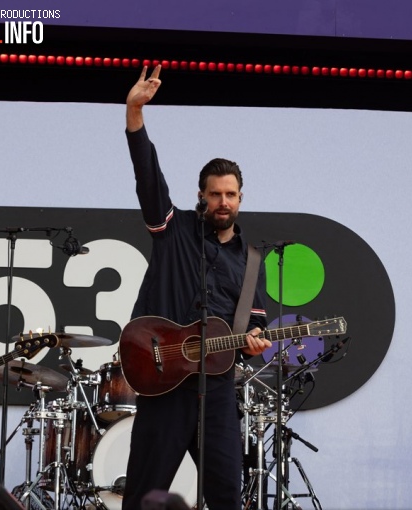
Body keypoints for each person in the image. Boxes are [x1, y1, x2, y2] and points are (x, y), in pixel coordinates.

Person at [122, 65, 272, 510]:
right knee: (143, 496)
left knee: (227, 494)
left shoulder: (251, 263)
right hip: (165, 383)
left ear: (241, 198)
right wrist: (135, 114)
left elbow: (253, 326)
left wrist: (253, 343)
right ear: (201, 196)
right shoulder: (174, 229)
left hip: (218, 391)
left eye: (231, 194)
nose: (223, 202)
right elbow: (148, 177)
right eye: (215, 194)